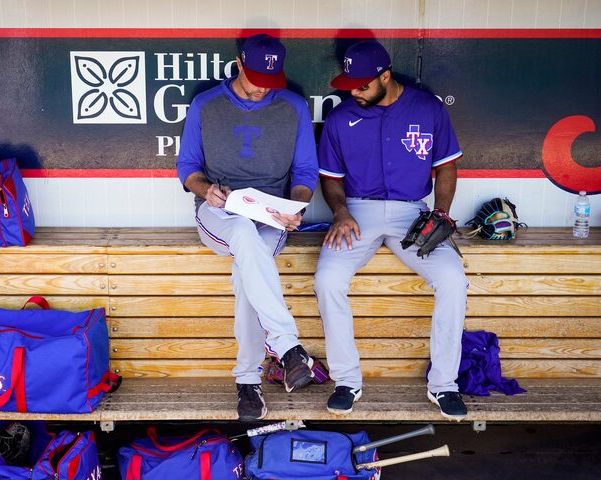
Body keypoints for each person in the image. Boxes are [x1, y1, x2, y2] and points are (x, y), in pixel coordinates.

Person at [315, 40, 469, 420]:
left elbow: (446, 166)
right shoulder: (340, 118)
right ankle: (347, 380)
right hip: (358, 211)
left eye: (362, 85)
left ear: (385, 76)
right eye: (349, 84)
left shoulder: (427, 108)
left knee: (452, 278)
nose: (353, 91)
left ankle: (444, 384)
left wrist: (442, 214)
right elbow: (331, 178)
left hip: (411, 212)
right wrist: (339, 211)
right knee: (327, 279)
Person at [176, 34, 319, 421]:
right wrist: (207, 191)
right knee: (242, 235)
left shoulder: (292, 106)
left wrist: (296, 206)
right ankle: (287, 347)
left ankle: (248, 382)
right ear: (239, 64)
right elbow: (187, 168)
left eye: (269, 82)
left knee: (247, 272)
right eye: (255, 78)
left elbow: (304, 172)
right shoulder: (207, 104)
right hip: (219, 213)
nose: (260, 89)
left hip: (270, 214)